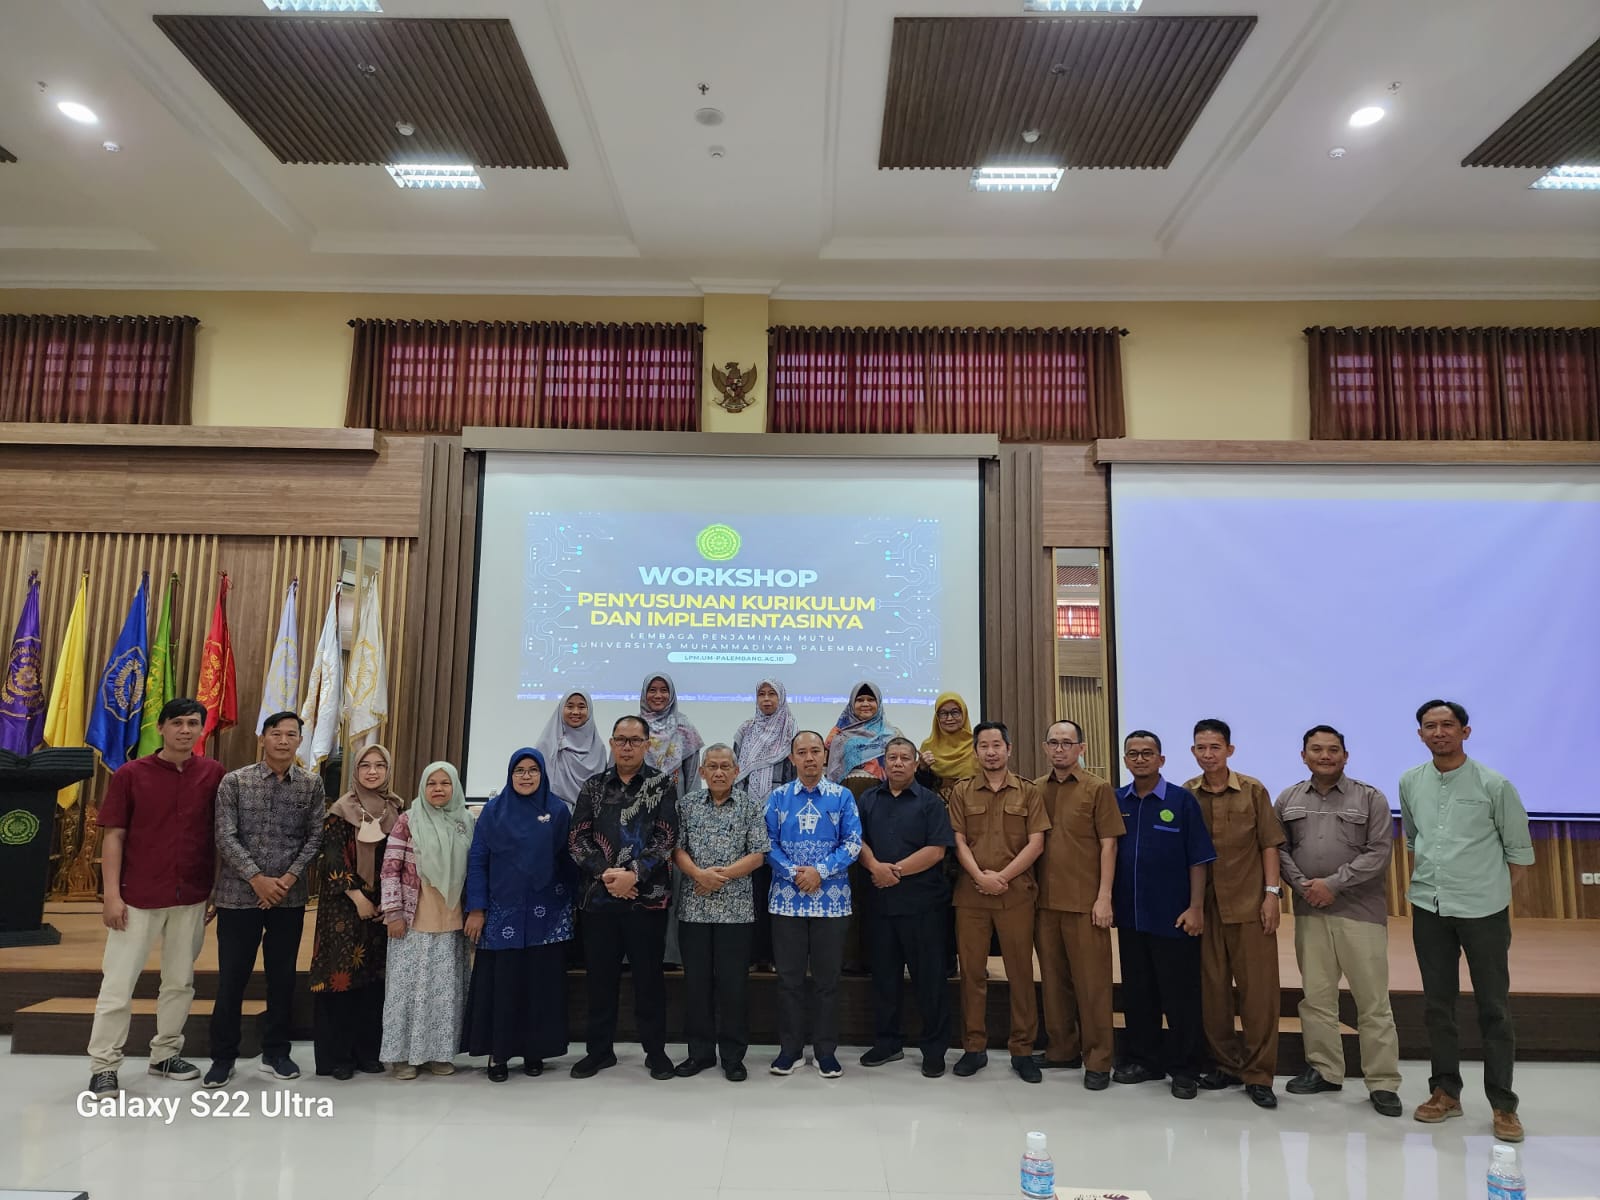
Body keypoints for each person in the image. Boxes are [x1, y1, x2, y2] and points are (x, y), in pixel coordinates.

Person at [1400, 699, 1534, 1143]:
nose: (1439, 732)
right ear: (1420, 734)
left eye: (1447, 725)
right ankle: (1445, 1092)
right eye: (1429, 726)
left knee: (1493, 1008)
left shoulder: (1495, 785)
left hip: (1483, 912)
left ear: (1465, 732)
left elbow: (1517, 854)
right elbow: (1414, 842)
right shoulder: (1410, 782)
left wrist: (1488, 891)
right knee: (1438, 1006)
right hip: (1429, 908)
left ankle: (1503, 1104)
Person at [84, 698, 224, 1099]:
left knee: (180, 981)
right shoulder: (132, 774)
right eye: (177, 722)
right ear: (160, 728)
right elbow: (113, 837)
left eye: (193, 723)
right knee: (118, 983)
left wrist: (214, 888)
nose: (185, 730)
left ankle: (165, 1054)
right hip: (137, 897)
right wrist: (111, 896)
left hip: (191, 896)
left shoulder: (213, 774)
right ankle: (105, 1065)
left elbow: (220, 836)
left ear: (201, 730)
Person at [1276, 725, 1403, 1118]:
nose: (1325, 756)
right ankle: (1325, 1070)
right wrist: (1303, 886)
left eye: (1333, 750)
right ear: (1304, 755)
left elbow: (1379, 853)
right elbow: (1278, 849)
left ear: (1346, 756)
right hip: (1311, 912)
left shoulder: (1370, 798)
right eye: (1317, 749)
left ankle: (1382, 1081)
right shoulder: (1288, 798)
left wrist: (1332, 884)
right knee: (1316, 998)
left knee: (1372, 1002)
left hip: (1359, 913)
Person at [206, 711, 324, 1087]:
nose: (285, 740)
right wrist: (257, 879)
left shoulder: (311, 785)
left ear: (300, 741)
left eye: (292, 734)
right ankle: (223, 1057)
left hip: (288, 899)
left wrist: (287, 878)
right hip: (239, 897)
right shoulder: (235, 782)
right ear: (263, 738)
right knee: (232, 979)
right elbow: (225, 836)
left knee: (282, 978)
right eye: (277, 733)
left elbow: (315, 838)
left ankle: (276, 1051)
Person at [568, 715, 680, 1081]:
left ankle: (656, 1052)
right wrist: (607, 875)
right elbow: (578, 839)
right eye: (621, 740)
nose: (628, 746)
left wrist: (634, 875)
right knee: (600, 979)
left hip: (647, 899)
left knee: (649, 979)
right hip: (598, 900)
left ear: (648, 745)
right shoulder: (594, 786)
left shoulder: (662, 785)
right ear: (612, 744)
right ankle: (599, 1052)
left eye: (635, 740)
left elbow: (666, 839)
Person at [1184, 718, 1286, 1109]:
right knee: (1213, 996)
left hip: (1249, 906)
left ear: (1230, 750)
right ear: (1193, 751)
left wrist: (1272, 895)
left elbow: (1269, 845)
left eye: (1215, 747)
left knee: (1258, 996)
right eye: (1201, 748)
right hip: (1205, 910)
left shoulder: (1253, 791)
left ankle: (1259, 1074)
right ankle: (1225, 1065)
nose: (1208, 755)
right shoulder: (1186, 795)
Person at [1111, 730, 1216, 1101]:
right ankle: (1144, 1060)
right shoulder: (1116, 800)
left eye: (1147, 753)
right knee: (1139, 993)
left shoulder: (1182, 801)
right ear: (1124, 760)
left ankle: (1185, 1067)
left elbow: (1198, 858)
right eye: (1133, 754)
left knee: (1180, 996)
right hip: (1130, 916)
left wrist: (1196, 907)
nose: (1140, 759)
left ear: (1161, 760)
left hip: (1174, 917)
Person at [462, 748, 575, 1081]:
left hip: (547, 913)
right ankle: (499, 1055)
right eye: (519, 771)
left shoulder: (557, 810)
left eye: (533, 770)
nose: (526, 776)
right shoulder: (493, 812)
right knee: (504, 984)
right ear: (510, 775)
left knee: (539, 984)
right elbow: (478, 861)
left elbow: (567, 860)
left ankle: (534, 1051)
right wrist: (477, 908)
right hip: (502, 913)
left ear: (542, 774)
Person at [948, 722, 1049, 1084]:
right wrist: (980, 877)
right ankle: (974, 1047)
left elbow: (1036, 843)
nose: (991, 752)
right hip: (971, 896)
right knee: (972, 974)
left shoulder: (1029, 791)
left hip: (1016, 894)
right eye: (984, 746)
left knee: (1021, 973)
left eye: (997, 745)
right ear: (975, 752)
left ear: (1009, 749)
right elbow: (957, 841)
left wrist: (1002, 877)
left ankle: (1022, 1050)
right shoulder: (961, 792)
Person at [1032, 719, 1124, 1092]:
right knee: (1054, 983)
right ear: (1044, 747)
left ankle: (1099, 1058)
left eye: (1067, 743)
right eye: (1053, 742)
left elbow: (1109, 845)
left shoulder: (1098, 789)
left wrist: (1104, 897)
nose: (1059, 749)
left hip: (1086, 903)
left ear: (1081, 749)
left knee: (1092, 985)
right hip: (1044, 903)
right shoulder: (1035, 789)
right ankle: (1061, 1049)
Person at [765, 729, 862, 1078]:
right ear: (791, 758)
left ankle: (826, 1051)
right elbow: (767, 844)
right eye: (801, 752)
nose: (809, 758)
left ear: (825, 756)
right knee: (789, 981)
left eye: (815, 751)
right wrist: (795, 873)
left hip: (831, 902)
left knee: (827, 981)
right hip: (787, 901)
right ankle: (789, 1050)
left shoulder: (842, 797)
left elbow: (853, 843)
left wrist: (820, 872)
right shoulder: (777, 799)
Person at [856, 736, 954, 1077]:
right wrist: (875, 867)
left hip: (923, 904)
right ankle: (888, 1042)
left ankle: (934, 1049)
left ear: (915, 764)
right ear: (883, 763)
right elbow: (858, 841)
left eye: (904, 758)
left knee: (930, 979)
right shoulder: (868, 799)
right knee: (884, 978)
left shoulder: (930, 802)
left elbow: (937, 850)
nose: (897, 763)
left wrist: (893, 871)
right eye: (892, 758)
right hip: (880, 905)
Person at [672, 743, 770, 1082]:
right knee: (697, 985)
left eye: (725, 766)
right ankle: (699, 1054)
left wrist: (718, 877)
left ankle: (733, 1056)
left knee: (733, 986)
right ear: (701, 772)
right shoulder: (686, 805)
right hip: (694, 910)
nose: (718, 772)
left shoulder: (750, 806)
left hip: (736, 912)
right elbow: (677, 849)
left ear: (736, 770)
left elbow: (758, 854)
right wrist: (699, 875)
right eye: (711, 766)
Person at [309, 743, 403, 1080]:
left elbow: (399, 860)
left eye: (380, 765)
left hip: (381, 911)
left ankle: (368, 1053)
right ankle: (338, 1058)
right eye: (366, 765)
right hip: (343, 910)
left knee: (372, 983)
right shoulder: (340, 811)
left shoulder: (396, 811)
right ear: (355, 770)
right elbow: (331, 859)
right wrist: (358, 897)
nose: (373, 771)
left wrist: (387, 902)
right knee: (341, 982)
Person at [379, 762, 476, 1079]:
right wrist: (393, 912)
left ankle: (438, 1053)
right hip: (413, 918)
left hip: (451, 919)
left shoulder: (465, 821)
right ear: (422, 786)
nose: (438, 789)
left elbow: (474, 869)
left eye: (445, 783)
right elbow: (390, 868)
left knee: (443, 991)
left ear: (455, 788)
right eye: (431, 782)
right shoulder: (408, 820)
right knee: (408, 989)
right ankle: (403, 1057)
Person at [733, 678, 797, 973]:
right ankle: (748, 953)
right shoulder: (745, 730)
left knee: (777, 883)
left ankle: (773, 956)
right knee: (750, 887)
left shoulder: (792, 730)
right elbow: (736, 774)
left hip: (782, 819)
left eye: (773, 694)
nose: (767, 699)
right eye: (762, 693)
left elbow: (794, 777)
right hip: (746, 817)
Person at [535, 691, 607, 811]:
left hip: (590, 816)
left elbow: (601, 789)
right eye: (569, 706)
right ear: (561, 709)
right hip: (553, 815)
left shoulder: (598, 748)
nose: (575, 712)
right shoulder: (547, 745)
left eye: (581, 707)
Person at [825, 681, 898, 791]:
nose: (865, 704)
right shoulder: (838, 734)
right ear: (851, 704)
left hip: (883, 795)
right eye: (859, 700)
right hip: (845, 794)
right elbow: (830, 770)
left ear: (879, 703)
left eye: (871, 700)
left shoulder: (892, 734)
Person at [640, 673, 703, 793]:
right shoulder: (635, 727)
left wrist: (691, 807)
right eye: (652, 690)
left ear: (671, 694)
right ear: (644, 694)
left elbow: (693, 777)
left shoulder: (684, 728)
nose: (658, 695)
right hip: (638, 803)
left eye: (664, 690)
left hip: (676, 802)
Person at [917, 692, 978, 799]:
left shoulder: (977, 744)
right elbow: (921, 788)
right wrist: (923, 769)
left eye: (955, 712)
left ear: (964, 713)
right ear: (937, 717)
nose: (949, 718)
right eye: (943, 713)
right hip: (937, 810)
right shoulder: (928, 746)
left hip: (973, 806)